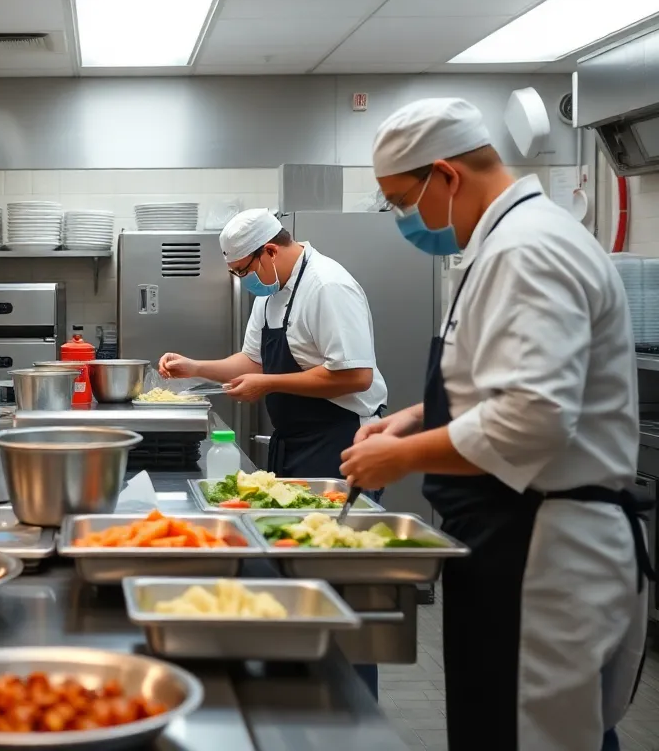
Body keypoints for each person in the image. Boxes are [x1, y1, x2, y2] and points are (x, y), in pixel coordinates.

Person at [340, 98, 651, 751]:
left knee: (530, 738)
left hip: (543, 548)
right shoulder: (505, 245)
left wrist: (401, 459)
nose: (404, 219)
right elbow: (502, 383)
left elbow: (531, 423)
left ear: (447, 176)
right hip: (512, 536)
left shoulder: (527, 250)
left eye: (402, 201)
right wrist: (414, 419)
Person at [159, 209, 388, 481]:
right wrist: (195, 367)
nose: (244, 280)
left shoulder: (327, 286)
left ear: (270, 251)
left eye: (244, 270)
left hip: (341, 441)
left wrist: (268, 383)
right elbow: (253, 361)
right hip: (294, 441)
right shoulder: (271, 291)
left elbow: (356, 376)